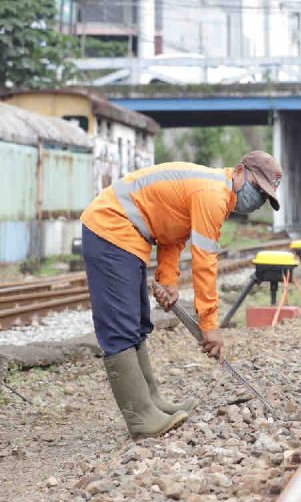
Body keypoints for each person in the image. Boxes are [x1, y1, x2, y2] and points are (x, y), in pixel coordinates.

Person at [80, 151, 282, 440]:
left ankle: (153, 403)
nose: (257, 199)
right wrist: (210, 326)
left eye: (264, 196)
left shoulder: (215, 194)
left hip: (129, 236)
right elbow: (204, 263)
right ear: (238, 172)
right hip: (110, 227)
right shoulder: (212, 193)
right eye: (257, 189)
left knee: (137, 322)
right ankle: (141, 418)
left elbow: (173, 234)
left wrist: (168, 280)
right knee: (120, 327)